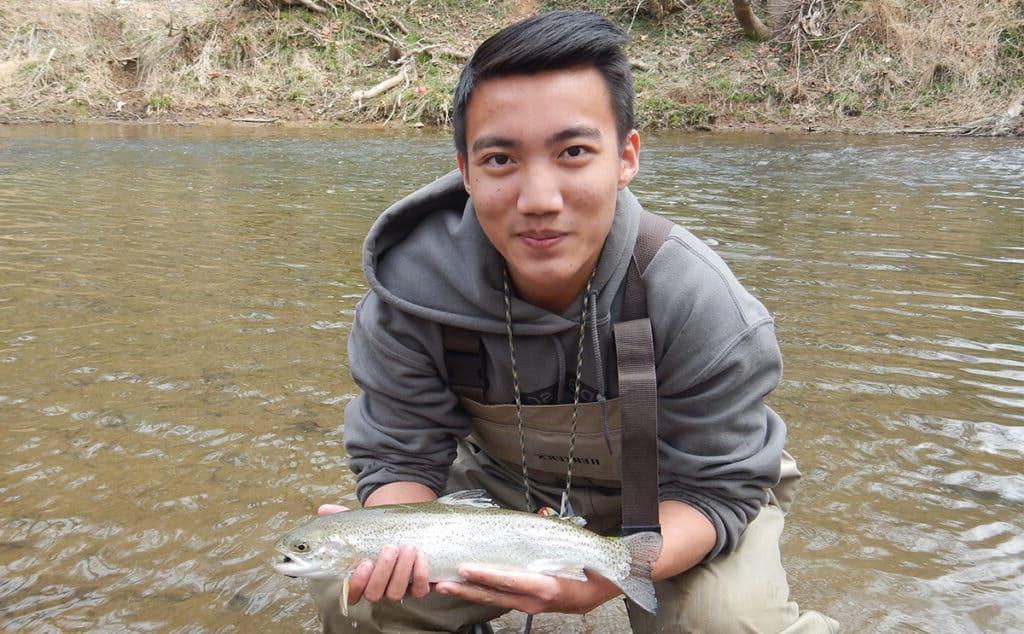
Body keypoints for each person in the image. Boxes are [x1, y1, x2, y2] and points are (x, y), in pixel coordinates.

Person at [311, 10, 838, 633]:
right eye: (501, 159)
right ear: (466, 172)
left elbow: (717, 488)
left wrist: (610, 572)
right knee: (355, 597)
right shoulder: (409, 297)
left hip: (681, 491)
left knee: (724, 622)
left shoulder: (700, 300)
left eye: (574, 152)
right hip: (504, 491)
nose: (538, 198)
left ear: (626, 157)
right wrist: (394, 546)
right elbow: (400, 459)